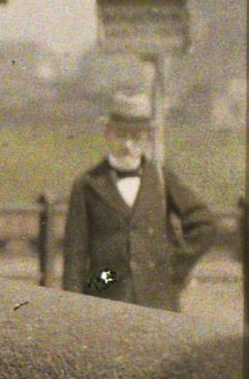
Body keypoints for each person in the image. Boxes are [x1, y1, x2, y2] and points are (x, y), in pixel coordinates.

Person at [61, 91, 217, 312]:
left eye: (136, 136)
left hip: (157, 298)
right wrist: (73, 305)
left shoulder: (161, 179)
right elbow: (75, 254)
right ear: (107, 133)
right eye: (120, 135)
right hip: (106, 292)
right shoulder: (88, 184)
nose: (127, 145)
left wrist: (172, 266)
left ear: (147, 138)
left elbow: (205, 224)